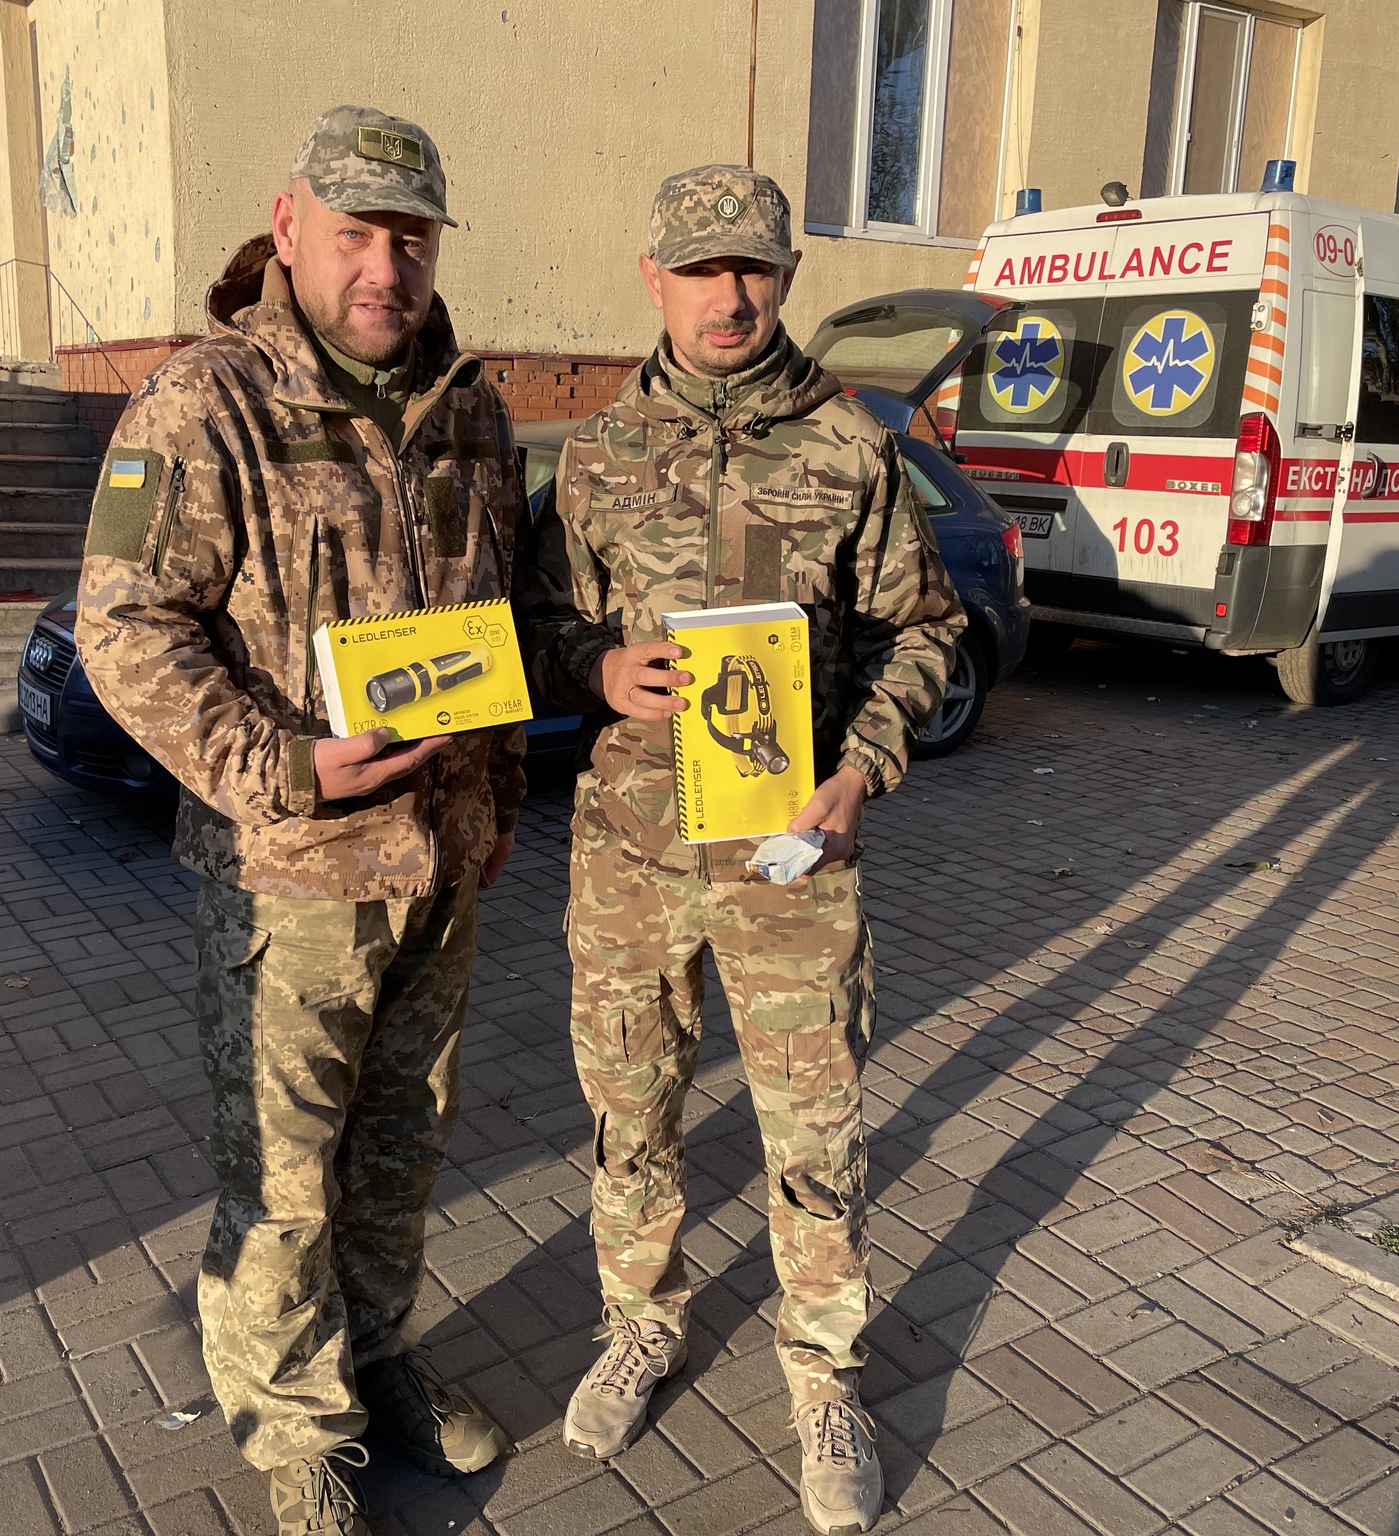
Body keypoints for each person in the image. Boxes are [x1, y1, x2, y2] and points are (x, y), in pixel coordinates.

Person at [73, 106, 524, 1536]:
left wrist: (500, 797)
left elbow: (501, 618)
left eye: (412, 237)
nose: (386, 267)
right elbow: (124, 630)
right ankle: (294, 1430)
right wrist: (280, 765)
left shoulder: (471, 408)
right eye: (356, 234)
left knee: (400, 1147)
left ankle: (378, 1360)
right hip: (292, 875)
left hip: (439, 867)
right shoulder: (203, 403)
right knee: (282, 1181)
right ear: (288, 227)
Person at [517, 165, 963, 1536]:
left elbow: (924, 631)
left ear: (786, 277)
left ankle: (825, 1377)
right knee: (631, 1114)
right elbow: (536, 623)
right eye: (702, 270)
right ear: (652, 277)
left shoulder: (849, 446)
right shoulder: (594, 455)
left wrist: (860, 769)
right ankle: (639, 1324)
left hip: (789, 862)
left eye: (753, 268)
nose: (729, 296)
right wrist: (598, 669)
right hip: (632, 857)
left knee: (813, 1131)